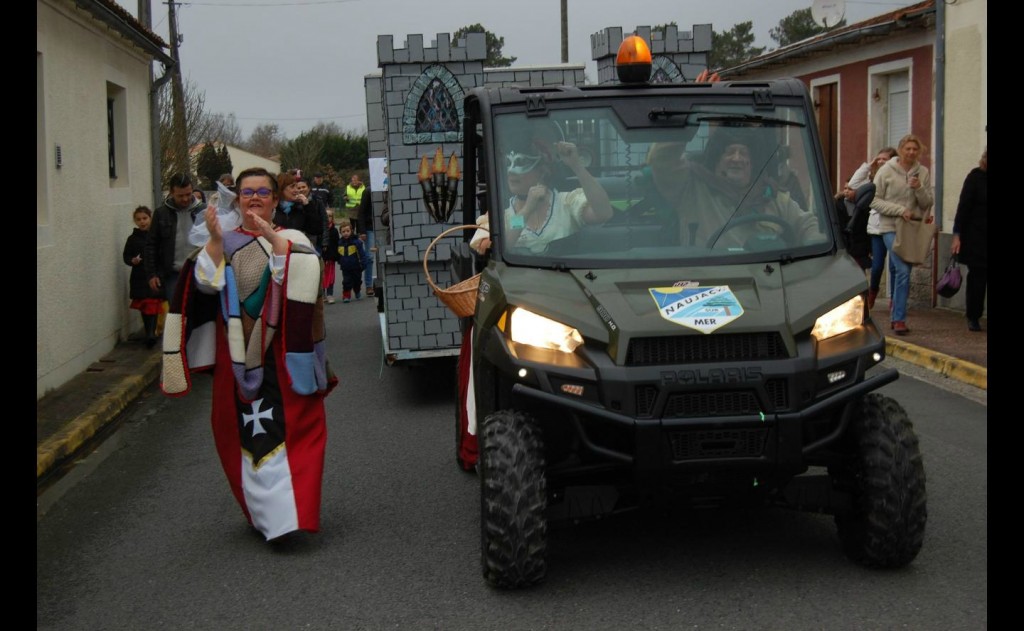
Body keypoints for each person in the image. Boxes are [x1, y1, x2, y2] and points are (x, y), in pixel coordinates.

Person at [160, 166, 336, 542]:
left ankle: (294, 512)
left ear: (276, 199)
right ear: (237, 199)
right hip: (238, 355)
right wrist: (213, 239)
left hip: (287, 352)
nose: (254, 198)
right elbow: (206, 285)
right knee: (237, 431)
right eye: (246, 192)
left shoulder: (292, 236)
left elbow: (308, 278)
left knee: (302, 424)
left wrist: (275, 242)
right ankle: (264, 513)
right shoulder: (225, 240)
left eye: (263, 192)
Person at [641, 131, 821, 250]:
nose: (737, 159)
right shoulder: (692, 187)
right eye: (729, 152)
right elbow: (661, 159)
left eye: (744, 153)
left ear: (753, 163)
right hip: (703, 278)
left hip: (767, 279)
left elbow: (807, 224)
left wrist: (815, 250)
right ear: (716, 159)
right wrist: (687, 119)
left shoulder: (772, 195)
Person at [499, 134, 614, 253]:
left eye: (521, 163)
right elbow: (503, 247)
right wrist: (527, 210)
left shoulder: (566, 203)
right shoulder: (503, 214)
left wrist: (577, 166)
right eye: (508, 163)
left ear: (543, 171)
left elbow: (603, 214)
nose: (511, 171)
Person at [868, 133, 934, 335]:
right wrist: (899, 210)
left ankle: (896, 312)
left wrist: (919, 188)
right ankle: (898, 319)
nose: (911, 152)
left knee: (902, 271)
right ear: (901, 150)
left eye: (915, 149)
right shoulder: (886, 171)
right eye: (908, 149)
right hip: (889, 227)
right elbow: (874, 200)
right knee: (903, 270)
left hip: (911, 229)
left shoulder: (922, 172)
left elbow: (927, 203)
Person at [144, 172, 207, 302]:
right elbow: (151, 245)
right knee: (177, 315)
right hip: (173, 275)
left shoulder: (204, 211)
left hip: (200, 273)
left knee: (199, 315)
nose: (185, 199)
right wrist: (152, 274)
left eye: (188, 194)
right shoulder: (161, 214)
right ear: (172, 193)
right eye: (180, 196)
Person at [856, 147, 898, 309]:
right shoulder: (872, 178)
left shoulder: (897, 177)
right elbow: (854, 184)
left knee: (894, 265)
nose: (881, 162)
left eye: (884, 159)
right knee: (878, 265)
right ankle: (873, 291)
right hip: (877, 229)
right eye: (879, 159)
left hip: (894, 227)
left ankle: (894, 300)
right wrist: (869, 165)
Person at [951, 147, 987, 332]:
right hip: (977, 238)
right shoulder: (975, 178)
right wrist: (957, 234)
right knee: (978, 279)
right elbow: (963, 208)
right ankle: (973, 316)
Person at [122, 206, 163, 349]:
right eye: (138, 219)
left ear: (150, 218)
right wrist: (132, 260)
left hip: (154, 275)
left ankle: (152, 333)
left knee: (153, 304)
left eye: (145, 218)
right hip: (139, 277)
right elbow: (126, 256)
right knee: (145, 306)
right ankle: (149, 333)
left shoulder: (156, 235)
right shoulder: (132, 239)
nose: (142, 222)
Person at [274, 170, 323, 249]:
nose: (297, 190)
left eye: (296, 187)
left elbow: (316, 230)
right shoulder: (272, 209)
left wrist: (308, 206)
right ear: (281, 189)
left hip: (296, 252)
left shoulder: (300, 208)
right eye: (292, 186)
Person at [334, 217, 368, 302]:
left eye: (347, 231)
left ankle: (357, 291)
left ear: (351, 231)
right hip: (345, 267)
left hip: (356, 266)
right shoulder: (339, 243)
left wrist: (363, 263)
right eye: (343, 232)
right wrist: (340, 261)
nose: (346, 233)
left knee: (357, 281)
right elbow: (338, 254)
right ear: (340, 233)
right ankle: (346, 295)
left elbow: (362, 254)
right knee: (346, 282)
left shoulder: (356, 242)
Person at [358, 186, 376, 295]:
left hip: (386, 227)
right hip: (370, 228)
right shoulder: (368, 191)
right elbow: (361, 212)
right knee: (369, 257)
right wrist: (362, 231)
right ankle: (369, 285)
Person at [322, 211, 339, 304]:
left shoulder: (334, 230)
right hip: (322, 257)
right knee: (322, 275)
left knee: (331, 276)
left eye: (330, 216)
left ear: (332, 218)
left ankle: (330, 294)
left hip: (331, 257)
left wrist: (336, 256)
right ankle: (323, 294)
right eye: (326, 216)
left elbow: (337, 244)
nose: (328, 218)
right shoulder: (320, 229)